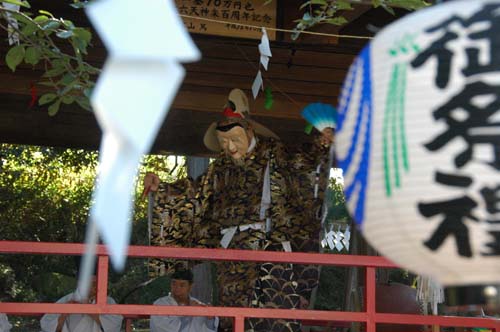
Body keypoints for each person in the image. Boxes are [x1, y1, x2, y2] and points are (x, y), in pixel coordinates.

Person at [144, 88, 333, 331]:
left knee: (274, 311)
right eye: (224, 143)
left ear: (249, 131)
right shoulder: (220, 167)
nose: (230, 148)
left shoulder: (273, 152)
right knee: (233, 313)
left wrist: (322, 142)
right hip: (232, 247)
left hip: (270, 243)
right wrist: (163, 188)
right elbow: (196, 192)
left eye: (235, 140)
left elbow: (302, 162)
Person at [40, 276, 123, 332]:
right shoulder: (67, 299)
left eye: (97, 283)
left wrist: (88, 308)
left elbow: (115, 324)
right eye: (92, 283)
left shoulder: (108, 301)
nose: (95, 286)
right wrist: (64, 314)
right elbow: (46, 324)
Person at [150, 269, 218, 332]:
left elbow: (210, 329)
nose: (177, 288)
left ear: (190, 286)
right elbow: (162, 329)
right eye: (174, 284)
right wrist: (189, 312)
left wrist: (210, 318)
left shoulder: (197, 305)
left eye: (182, 285)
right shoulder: (160, 304)